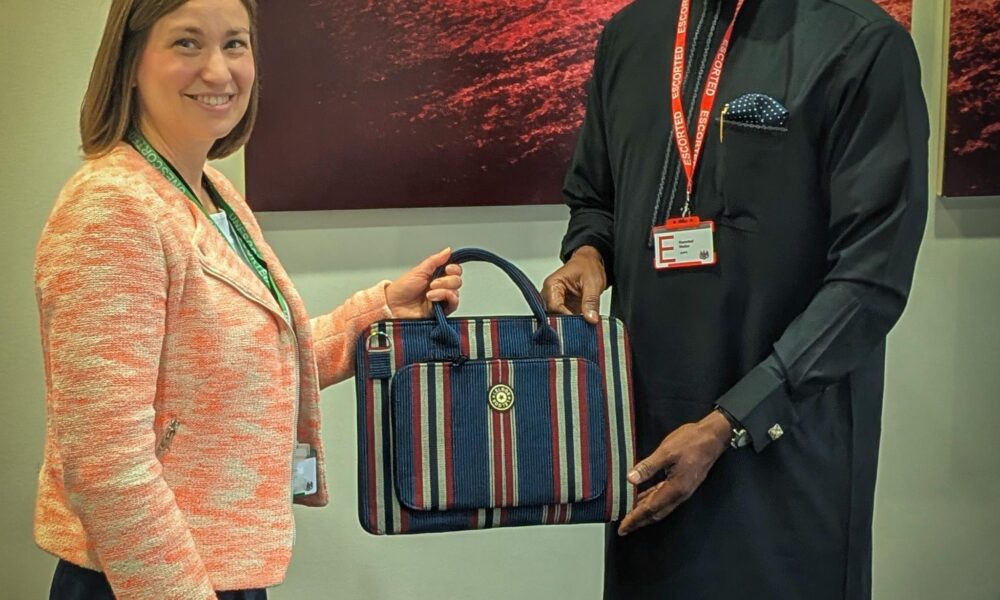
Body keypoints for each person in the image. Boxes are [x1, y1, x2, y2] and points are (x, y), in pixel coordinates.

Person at [33, 1, 462, 598]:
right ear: (130, 62)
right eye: (187, 43)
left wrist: (384, 309)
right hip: (147, 580)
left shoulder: (212, 192)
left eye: (234, 43)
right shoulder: (112, 207)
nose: (219, 71)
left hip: (216, 570)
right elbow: (104, 462)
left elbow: (249, 366)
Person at [541, 0, 928, 597]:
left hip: (787, 450)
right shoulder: (631, 34)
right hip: (648, 443)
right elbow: (595, 198)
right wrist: (588, 254)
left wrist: (731, 421)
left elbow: (871, 279)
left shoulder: (861, 45)